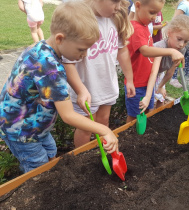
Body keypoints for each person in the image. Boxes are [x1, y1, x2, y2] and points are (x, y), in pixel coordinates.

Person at [0, 1, 119, 173]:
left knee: (51, 152)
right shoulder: (49, 69)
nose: (84, 54)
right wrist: (104, 129)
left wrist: (81, 90)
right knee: (37, 167)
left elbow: (59, 67)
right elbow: (68, 115)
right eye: (81, 49)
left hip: (35, 125)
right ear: (60, 38)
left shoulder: (42, 47)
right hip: (20, 130)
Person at [63, 0, 135, 148]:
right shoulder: (79, 20)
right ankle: (81, 158)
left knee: (104, 122)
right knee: (85, 128)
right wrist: (80, 90)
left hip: (107, 84)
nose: (119, 6)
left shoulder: (115, 19)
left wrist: (130, 78)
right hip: (85, 87)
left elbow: (122, 51)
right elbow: (67, 62)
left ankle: (99, 152)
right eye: (115, 1)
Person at [126, 0, 184, 123]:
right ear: (137, 6)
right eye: (152, 12)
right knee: (134, 117)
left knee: (148, 112)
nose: (154, 17)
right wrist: (170, 51)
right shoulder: (136, 28)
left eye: (157, 13)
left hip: (147, 82)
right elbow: (145, 50)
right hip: (136, 83)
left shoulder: (145, 26)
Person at [153, 14, 189, 108]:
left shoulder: (181, 50)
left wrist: (160, 86)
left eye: (185, 41)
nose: (181, 44)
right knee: (150, 102)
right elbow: (153, 71)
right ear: (169, 33)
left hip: (159, 74)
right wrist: (157, 87)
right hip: (148, 74)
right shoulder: (159, 47)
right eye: (179, 39)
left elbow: (170, 72)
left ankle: (159, 115)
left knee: (161, 98)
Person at [169, 0, 189, 89]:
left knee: (186, 58)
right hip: (182, 36)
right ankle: (173, 78)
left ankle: (185, 76)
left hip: (187, 38)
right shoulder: (184, 4)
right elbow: (175, 20)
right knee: (177, 60)